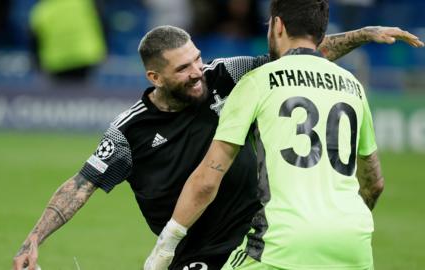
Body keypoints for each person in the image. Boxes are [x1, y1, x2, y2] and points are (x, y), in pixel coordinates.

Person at [13, 23, 423, 270]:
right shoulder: (130, 132)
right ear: (155, 77)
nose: (197, 73)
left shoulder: (226, 76)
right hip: (191, 247)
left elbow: (298, 57)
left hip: (254, 238)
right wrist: (34, 238)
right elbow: (81, 185)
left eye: (197, 59)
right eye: (183, 69)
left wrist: (365, 35)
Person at [144, 1, 424, 270]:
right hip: (354, 242)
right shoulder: (353, 86)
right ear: (320, 31)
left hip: (282, 243)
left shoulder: (257, 82)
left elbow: (207, 180)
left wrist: (166, 244)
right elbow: (374, 184)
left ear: (277, 25)